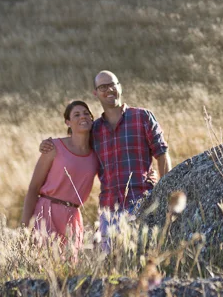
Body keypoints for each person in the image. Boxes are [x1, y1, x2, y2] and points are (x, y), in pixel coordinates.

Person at [41, 70, 170, 250]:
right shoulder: (95, 129)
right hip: (109, 210)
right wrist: (50, 144)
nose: (109, 90)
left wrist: (165, 191)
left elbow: (162, 153)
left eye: (112, 85)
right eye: (103, 87)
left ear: (120, 87)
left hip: (142, 203)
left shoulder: (142, 117)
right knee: (111, 261)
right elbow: (75, 149)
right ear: (95, 93)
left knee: (143, 255)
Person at [21, 100, 99, 257]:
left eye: (86, 113)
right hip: (47, 212)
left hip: (73, 217)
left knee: (69, 266)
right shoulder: (53, 147)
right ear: (67, 122)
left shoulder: (96, 153)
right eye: (76, 115)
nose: (82, 117)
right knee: (44, 261)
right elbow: (34, 187)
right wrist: (24, 227)